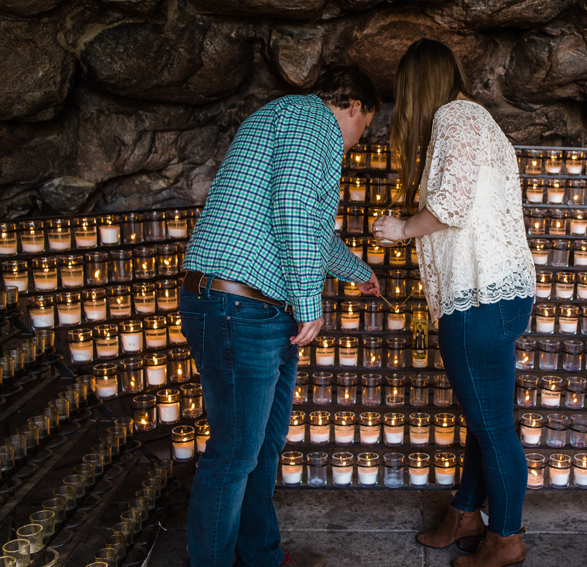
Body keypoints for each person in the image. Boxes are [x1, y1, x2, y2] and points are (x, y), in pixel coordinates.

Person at [180, 66, 381, 567]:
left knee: (261, 449)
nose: (360, 140)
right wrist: (310, 303)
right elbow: (291, 205)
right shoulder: (313, 120)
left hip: (254, 308)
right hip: (239, 305)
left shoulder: (290, 119)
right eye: (366, 128)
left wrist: (357, 271)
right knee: (234, 455)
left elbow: (310, 226)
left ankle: (261, 556)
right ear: (354, 106)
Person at [373, 39, 535, 567]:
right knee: (484, 418)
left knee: (492, 428)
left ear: (416, 85)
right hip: (498, 294)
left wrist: (400, 228)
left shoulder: (456, 117)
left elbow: (449, 206)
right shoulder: (478, 121)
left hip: (477, 296)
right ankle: (465, 513)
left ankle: (505, 538)